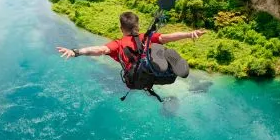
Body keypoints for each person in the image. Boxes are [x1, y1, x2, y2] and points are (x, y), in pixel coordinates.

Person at [56, 11, 205, 81]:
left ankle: (165, 62)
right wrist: (189, 33)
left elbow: (99, 50)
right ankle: (172, 65)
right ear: (137, 26)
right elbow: (167, 37)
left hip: (136, 80)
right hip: (161, 76)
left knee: (156, 50)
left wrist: (76, 52)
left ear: (122, 28)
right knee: (160, 47)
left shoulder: (118, 44)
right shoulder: (147, 37)